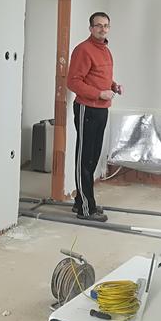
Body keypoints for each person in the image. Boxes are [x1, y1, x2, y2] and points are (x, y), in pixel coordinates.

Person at [66, 12, 122, 222]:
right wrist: (99, 94)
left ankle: (81, 201)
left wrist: (113, 86)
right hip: (86, 109)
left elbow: (99, 76)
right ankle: (85, 209)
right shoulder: (83, 50)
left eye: (106, 25)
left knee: (93, 157)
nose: (102, 29)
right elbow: (73, 82)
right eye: (98, 25)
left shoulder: (105, 51)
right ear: (90, 28)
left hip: (101, 109)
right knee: (85, 158)